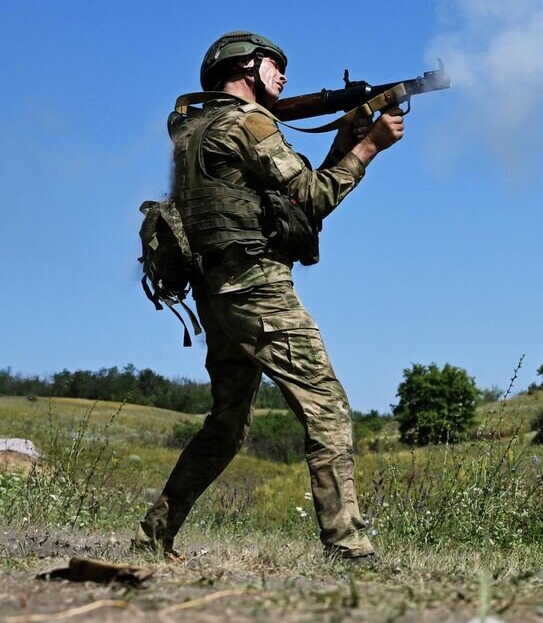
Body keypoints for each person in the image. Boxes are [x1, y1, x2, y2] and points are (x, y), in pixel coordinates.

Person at [133, 31, 404, 563]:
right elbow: (312, 200)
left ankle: (155, 534)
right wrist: (370, 146)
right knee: (326, 407)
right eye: (272, 66)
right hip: (257, 288)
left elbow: (292, 192)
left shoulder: (190, 128)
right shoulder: (249, 122)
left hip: (214, 293)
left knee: (227, 424)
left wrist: (344, 137)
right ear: (244, 69)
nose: (283, 76)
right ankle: (348, 546)